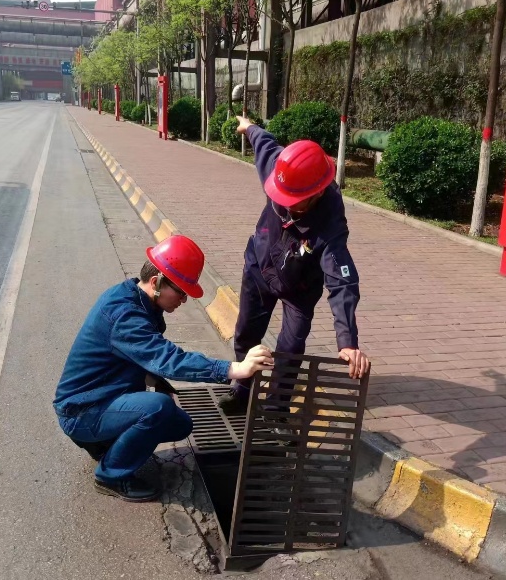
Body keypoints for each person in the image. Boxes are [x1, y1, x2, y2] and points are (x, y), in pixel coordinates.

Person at [53, 235, 273, 502]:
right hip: (81, 410)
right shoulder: (125, 315)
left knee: (179, 425)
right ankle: (110, 475)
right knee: (157, 409)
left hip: (102, 397)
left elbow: (143, 356)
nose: (183, 300)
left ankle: (105, 443)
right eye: (180, 291)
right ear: (156, 282)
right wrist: (235, 368)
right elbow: (169, 359)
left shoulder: (137, 299)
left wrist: (157, 383)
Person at [217, 116, 370, 417]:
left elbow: (342, 281)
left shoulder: (330, 222)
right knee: (247, 333)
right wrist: (248, 127)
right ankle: (244, 390)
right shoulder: (280, 167)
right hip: (260, 266)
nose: (287, 205)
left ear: (317, 192)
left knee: (291, 346)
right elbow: (264, 142)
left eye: (296, 202)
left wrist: (347, 340)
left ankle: (276, 406)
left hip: (300, 284)